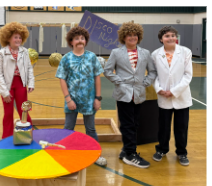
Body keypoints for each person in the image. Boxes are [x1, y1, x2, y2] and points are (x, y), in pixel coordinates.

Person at [104, 22, 157, 168]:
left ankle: (125, 150)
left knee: (135, 123)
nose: (132, 37)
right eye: (129, 35)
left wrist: (146, 82)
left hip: (139, 94)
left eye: (135, 35)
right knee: (127, 124)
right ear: (124, 37)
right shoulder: (116, 53)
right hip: (123, 93)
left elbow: (152, 72)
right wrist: (119, 81)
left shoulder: (145, 53)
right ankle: (130, 154)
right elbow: (108, 71)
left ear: (138, 37)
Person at [55, 26, 107, 166]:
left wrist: (98, 98)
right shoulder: (66, 59)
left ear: (86, 41)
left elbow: (97, 78)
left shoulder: (91, 57)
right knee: (68, 128)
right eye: (76, 38)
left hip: (89, 101)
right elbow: (62, 79)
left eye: (82, 38)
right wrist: (68, 99)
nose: (80, 41)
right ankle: (65, 153)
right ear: (71, 41)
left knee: (90, 128)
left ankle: (95, 154)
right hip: (71, 101)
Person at [151, 26, 192, 166]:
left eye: (173, 35)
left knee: (181, 127)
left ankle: (182, 152)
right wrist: (159, 89)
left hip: (181, 98)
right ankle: (161, 149)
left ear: (176, 37)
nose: (170, 38)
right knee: (163, 127)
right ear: (161, 39)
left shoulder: (185, 52)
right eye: (167, 36)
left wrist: (174, 91)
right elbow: (154, 75)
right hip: (163, 97)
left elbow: (188, 75)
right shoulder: (155, 54)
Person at [0, 22, 35, 139]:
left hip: (20, 85)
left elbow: (29, 68)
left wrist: (31, 83)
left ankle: (29, 134)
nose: (18, 39)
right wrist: (4, 92)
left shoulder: (25, 51)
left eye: (20, 37)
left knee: (24, 111)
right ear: (8, 38)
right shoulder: (0, 54)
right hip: (7, 86)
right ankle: (6, 137)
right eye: (15, 37)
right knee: (8, 113)